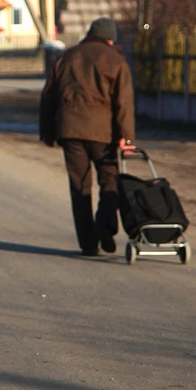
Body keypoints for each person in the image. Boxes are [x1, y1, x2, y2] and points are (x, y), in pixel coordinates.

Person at [39, 17, 135, 256]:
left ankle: (88, 243)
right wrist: (127, 137)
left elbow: (49, 96)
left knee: (80, 186)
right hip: (103, 133)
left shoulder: (67, 57)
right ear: (110, 39)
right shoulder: (116, 61)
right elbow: (123, 103)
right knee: (109, 180)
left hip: (70, 130)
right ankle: (105, 224)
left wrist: (48, 132)